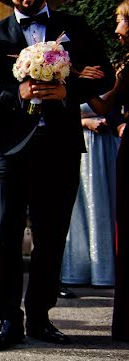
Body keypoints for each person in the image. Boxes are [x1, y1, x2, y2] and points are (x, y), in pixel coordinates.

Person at [0, 0, 114, 352]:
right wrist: (15, 92)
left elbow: (103, 72)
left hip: (60, 149)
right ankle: (7, 320)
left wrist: (70, 91)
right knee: (5, 237)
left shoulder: (75, 28)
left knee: (51, 237)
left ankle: (39, 317)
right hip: (7, 153)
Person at [85, 0, 129, 341]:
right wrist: (78, 79)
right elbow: (105, 103)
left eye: (122, 21)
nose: (117, 29)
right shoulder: (126, 67)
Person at [60, 103, 119, 288]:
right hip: (77, 142)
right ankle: (76, 269)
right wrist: (84, 122)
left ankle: (104, 270)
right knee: (77, 206)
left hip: (105, 142)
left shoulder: (109, 80)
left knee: (103, 204)